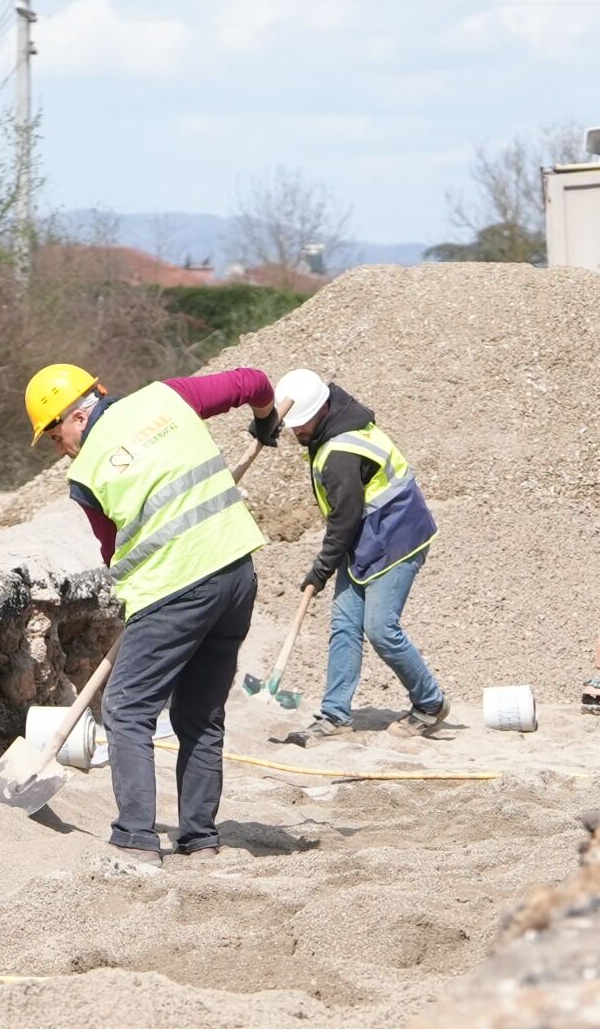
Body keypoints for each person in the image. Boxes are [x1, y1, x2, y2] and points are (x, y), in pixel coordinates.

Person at [25, 360, 280, 867]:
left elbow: (112, 551)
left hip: (175, 587)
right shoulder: (167, 398)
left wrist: (142, 601)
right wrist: (266, 421)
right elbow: (253, 382)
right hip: (235, 575)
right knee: (200, 715)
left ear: (76, 417)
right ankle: (200, 838)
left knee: (126, 708)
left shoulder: (86, 474)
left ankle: (136, 838)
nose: (60, 450)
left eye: (54, 437)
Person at [270, 368, 449, 740]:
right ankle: (334, 714)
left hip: (397, 537)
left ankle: (430, 702)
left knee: (381, 629)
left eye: (300, 425)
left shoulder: (340, 452)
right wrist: (265, 427)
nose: (296, 433)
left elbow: (344, 519)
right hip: (367, 538)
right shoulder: (332, 420)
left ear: (321, 411)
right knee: (345, 626)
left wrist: (320, 570)